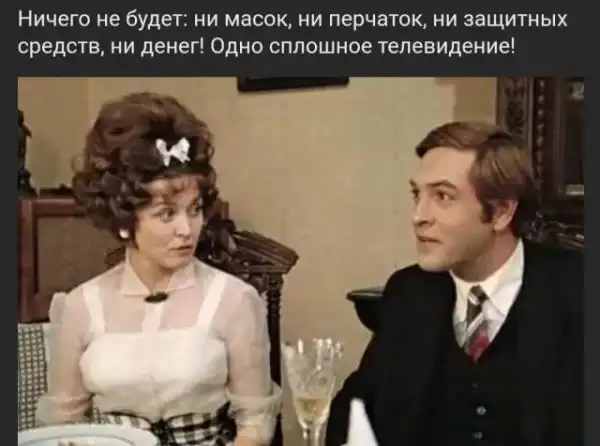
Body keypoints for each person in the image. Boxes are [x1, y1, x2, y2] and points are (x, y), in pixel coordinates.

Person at [36, 92, 282, 446]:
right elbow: (63, 430)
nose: (187, 229)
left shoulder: (235, 300)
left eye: (194, 209)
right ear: (125, 221)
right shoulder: (79, 307)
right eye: (166, 214)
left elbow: (255, 425)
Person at [325, 122, 582, 446]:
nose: (419, 216)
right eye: (417, 194)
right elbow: (357, 410)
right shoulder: (410, 293)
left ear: (501, 212)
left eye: (443, 196)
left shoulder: (579, 292)